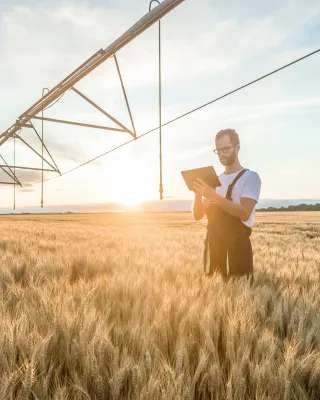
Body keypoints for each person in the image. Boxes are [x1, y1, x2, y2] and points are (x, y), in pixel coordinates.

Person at [192, 128, 261, 283]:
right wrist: (197, 193)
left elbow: (244, 213)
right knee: (213, 297)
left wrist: (213, 196)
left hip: (236, 249)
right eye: (218, 150)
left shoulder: (250, 177)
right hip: (213, 248)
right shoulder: (214, 181)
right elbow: (198, 215)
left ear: (237, 148)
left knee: (239, 296)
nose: (222, 154)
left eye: (226, 149)